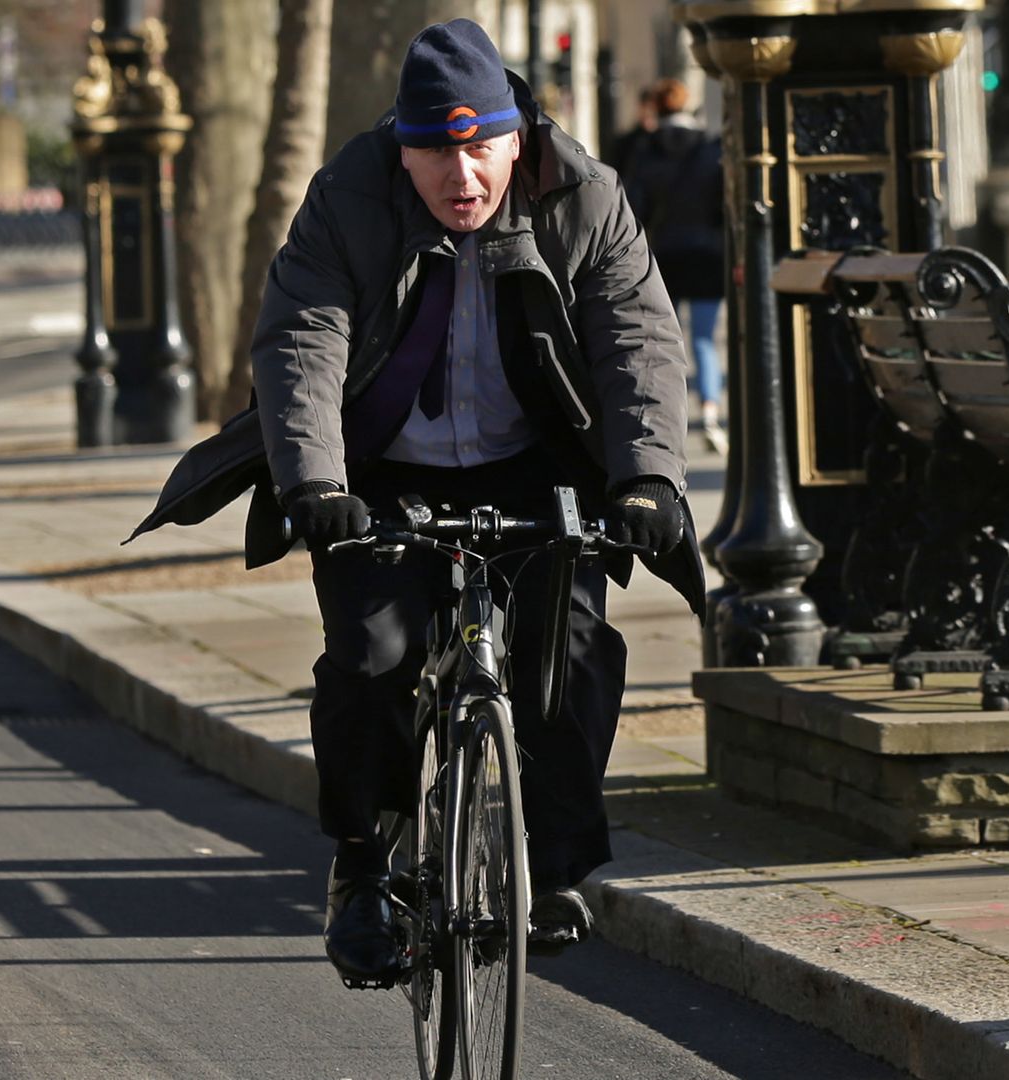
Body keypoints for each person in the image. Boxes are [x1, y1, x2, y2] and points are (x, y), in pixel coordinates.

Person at [130, 19, 704, 984]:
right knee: (370, 660)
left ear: (517, 134)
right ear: (404, 147)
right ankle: (362, 869)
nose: (462, 174)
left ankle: (556, 869)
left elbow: (637, 345)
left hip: (538, 462)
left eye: (480, 146)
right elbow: (303, 340)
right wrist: (313, 482)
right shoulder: (348, 199)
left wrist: (647, 478)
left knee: (569, 653)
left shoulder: (587, 200)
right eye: (437, 150)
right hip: (378, 470)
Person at [619, 78, 727, 453]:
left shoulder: (646, 150)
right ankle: (710, 414)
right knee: (703, 341)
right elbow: (722, 208)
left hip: (662, 256)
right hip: (708, 256)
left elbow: (635, 207)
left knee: (663, 342)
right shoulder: (710, 149)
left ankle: (669, 419)